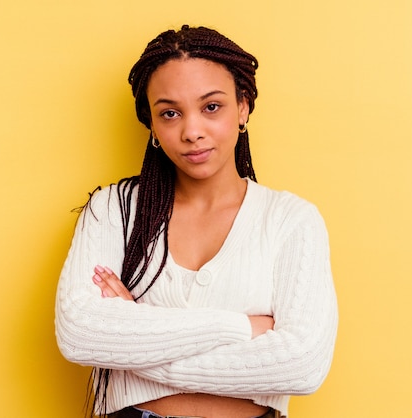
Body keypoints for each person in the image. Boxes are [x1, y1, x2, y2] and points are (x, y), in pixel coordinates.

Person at [55, 25, 338, 418]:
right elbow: (80, 334)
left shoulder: (291, 220)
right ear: (152, 125)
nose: (192, 132)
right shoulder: (114, 210)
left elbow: (302, 365)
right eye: (170, 113)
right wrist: (242, 328)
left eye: (211, 107)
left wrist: (136, 331)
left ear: (243, 107)